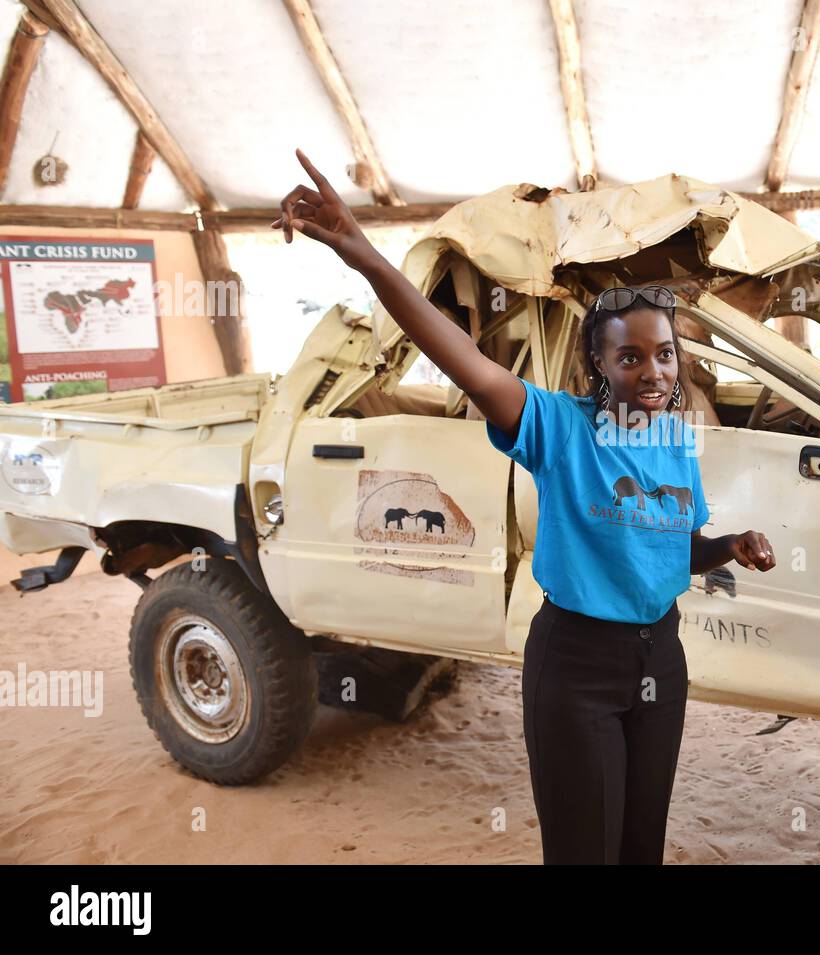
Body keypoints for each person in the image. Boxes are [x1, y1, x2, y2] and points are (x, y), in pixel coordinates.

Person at [273, 149, 776, 864]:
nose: (652, 370)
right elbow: (461, 359)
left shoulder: (675, 439)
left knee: (641, 848)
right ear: (597, 365)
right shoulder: (558, 427)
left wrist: (731, 544)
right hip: (576, 665)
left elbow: (672, 549)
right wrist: (364, 256)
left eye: (663, 354)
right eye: (629, 357)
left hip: (660, 660)